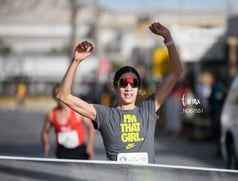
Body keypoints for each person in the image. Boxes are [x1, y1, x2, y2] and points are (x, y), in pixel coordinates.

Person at [56, 22, 183, 163]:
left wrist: (168, 39)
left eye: (133, 84)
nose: (128, 88)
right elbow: (63, 96)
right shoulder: (105, 115)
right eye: (124, 83)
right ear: (115, 87)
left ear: (138, 88)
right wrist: (76, 61)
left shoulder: (148, 109)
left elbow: (176, 72)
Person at [41, 85, 96, 159]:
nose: (60, 98)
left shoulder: (77, 111)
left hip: (80, 151)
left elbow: (91, 126)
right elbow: (45, 132)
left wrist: (90, 146)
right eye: (57, 95)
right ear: (54, 97)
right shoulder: (51, 114)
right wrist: (46, 143)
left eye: (62, 93)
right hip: (62, 151)